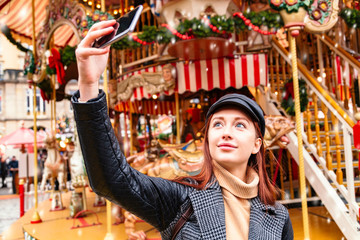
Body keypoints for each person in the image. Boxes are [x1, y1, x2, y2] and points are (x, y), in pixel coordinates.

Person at [72, 20, 293, 239]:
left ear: (257, 143)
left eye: (239, 125)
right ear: (208, 140)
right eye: (217, 124)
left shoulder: (277, 217)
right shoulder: (181, 199)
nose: (226, 132)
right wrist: (89, 85)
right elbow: (112, 180)